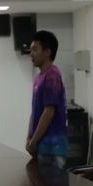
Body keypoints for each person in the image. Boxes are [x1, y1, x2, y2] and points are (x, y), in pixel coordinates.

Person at [26, 30, 68, 169]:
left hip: (53, 147)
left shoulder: (52, 76)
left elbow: (48, 112)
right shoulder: (39, 78)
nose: (31, 53)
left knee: (50, 183)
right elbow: (34, 112)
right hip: (40, 145)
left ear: (47, 52)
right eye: (31, 50)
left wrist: (34, 141)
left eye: (35, 49)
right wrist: (29, 137)